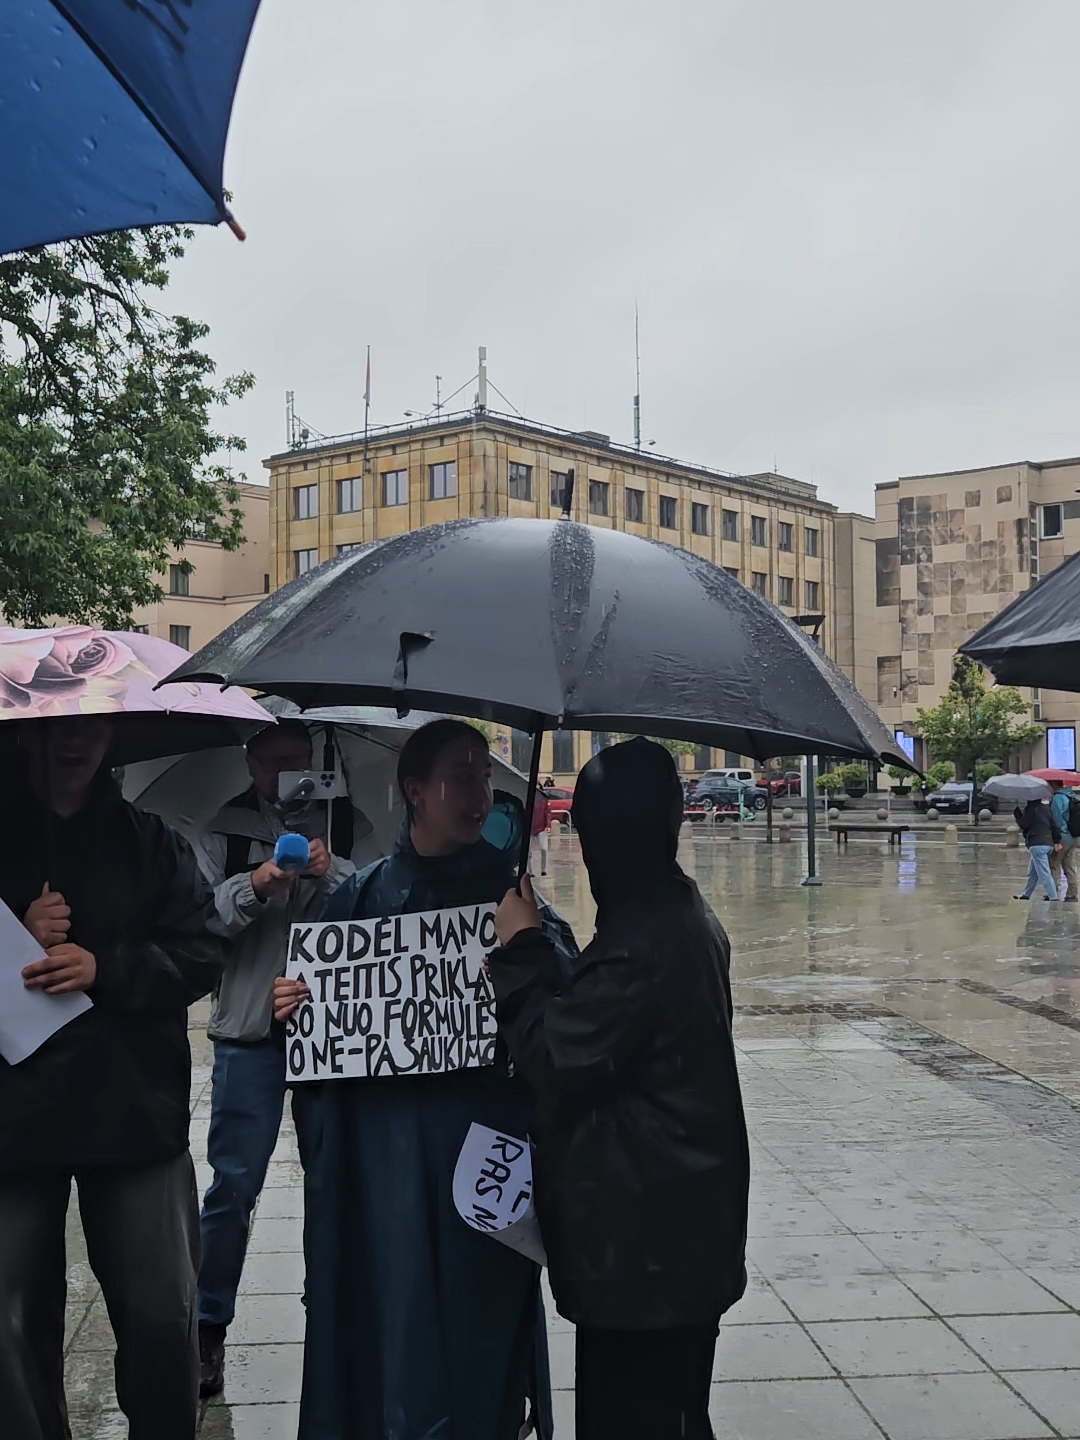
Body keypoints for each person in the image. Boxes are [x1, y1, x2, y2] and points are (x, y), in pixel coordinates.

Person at [273, 719, 576, 1440]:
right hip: (387, 1165)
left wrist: (528, 953)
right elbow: (323, 1048)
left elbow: (566, 1025)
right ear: (415, 791)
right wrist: (296, 1012)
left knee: (482, 1323)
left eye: (484, 775)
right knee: (394, 1320)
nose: (480, 793)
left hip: (483, 1157)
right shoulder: (359, 901)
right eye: (462, 775)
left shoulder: (516, 903)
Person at [489, 737, 750, 1440]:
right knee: (676, 1416)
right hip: (680, 1243)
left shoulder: (641, 944)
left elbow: (552, 1056)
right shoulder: (678, 913)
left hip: (645, 1256)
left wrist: (521, 950)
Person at [0, 716, 224, 1440]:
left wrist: (107, 969)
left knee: (162, 1311)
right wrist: (13, 936)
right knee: (11, 1320)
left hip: (132, 1111)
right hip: (14, 1117)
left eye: (92, 723)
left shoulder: (152, 842)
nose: (76, 739)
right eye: (57, 724)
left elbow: (200, 950)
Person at [191, 720, 355, 1396]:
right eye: (270, 760)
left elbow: (380, 904)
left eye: (296, 759)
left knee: (335, 1187)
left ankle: (334, 1324)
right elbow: (197, 917)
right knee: (231, 1188)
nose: (282, 772)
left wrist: (330, 869)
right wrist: (258, 881)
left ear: (315, 759)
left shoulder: (347, 824)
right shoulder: (223, 828)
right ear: (250, 760)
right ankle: (206, 1329)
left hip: (332, 1035)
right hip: (248, 1032)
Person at [1014, 796, 1062, 901]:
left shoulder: (1030, 809)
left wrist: (1018, 815)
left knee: (1044, 873)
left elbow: (1024, 825)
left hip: (1037, 844)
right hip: (1048, 844)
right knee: (1033, 872)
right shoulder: (1046, 808)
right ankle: (1026, 894)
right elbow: (1054, 826)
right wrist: (1057, 841)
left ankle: (1053, 897)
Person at [1048, 778, 1079, 902]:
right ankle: (1072, 893)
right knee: (1069, 865)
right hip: (1073, 836)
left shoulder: (1058, 798)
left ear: (1053, 785)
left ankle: (1053, 892)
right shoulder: (1071, 796)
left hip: (1062, 836)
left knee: (1054, 864)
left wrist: (1056, 838)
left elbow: (1056, 820)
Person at [531, 785, 551, 876]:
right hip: (530, 828)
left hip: (541, 828)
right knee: (528, 852)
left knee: (544, 849)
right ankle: (529, 871)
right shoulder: (529, 799)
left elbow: (547, 812)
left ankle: (544, 870)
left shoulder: (544, 800)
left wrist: (548, 825)